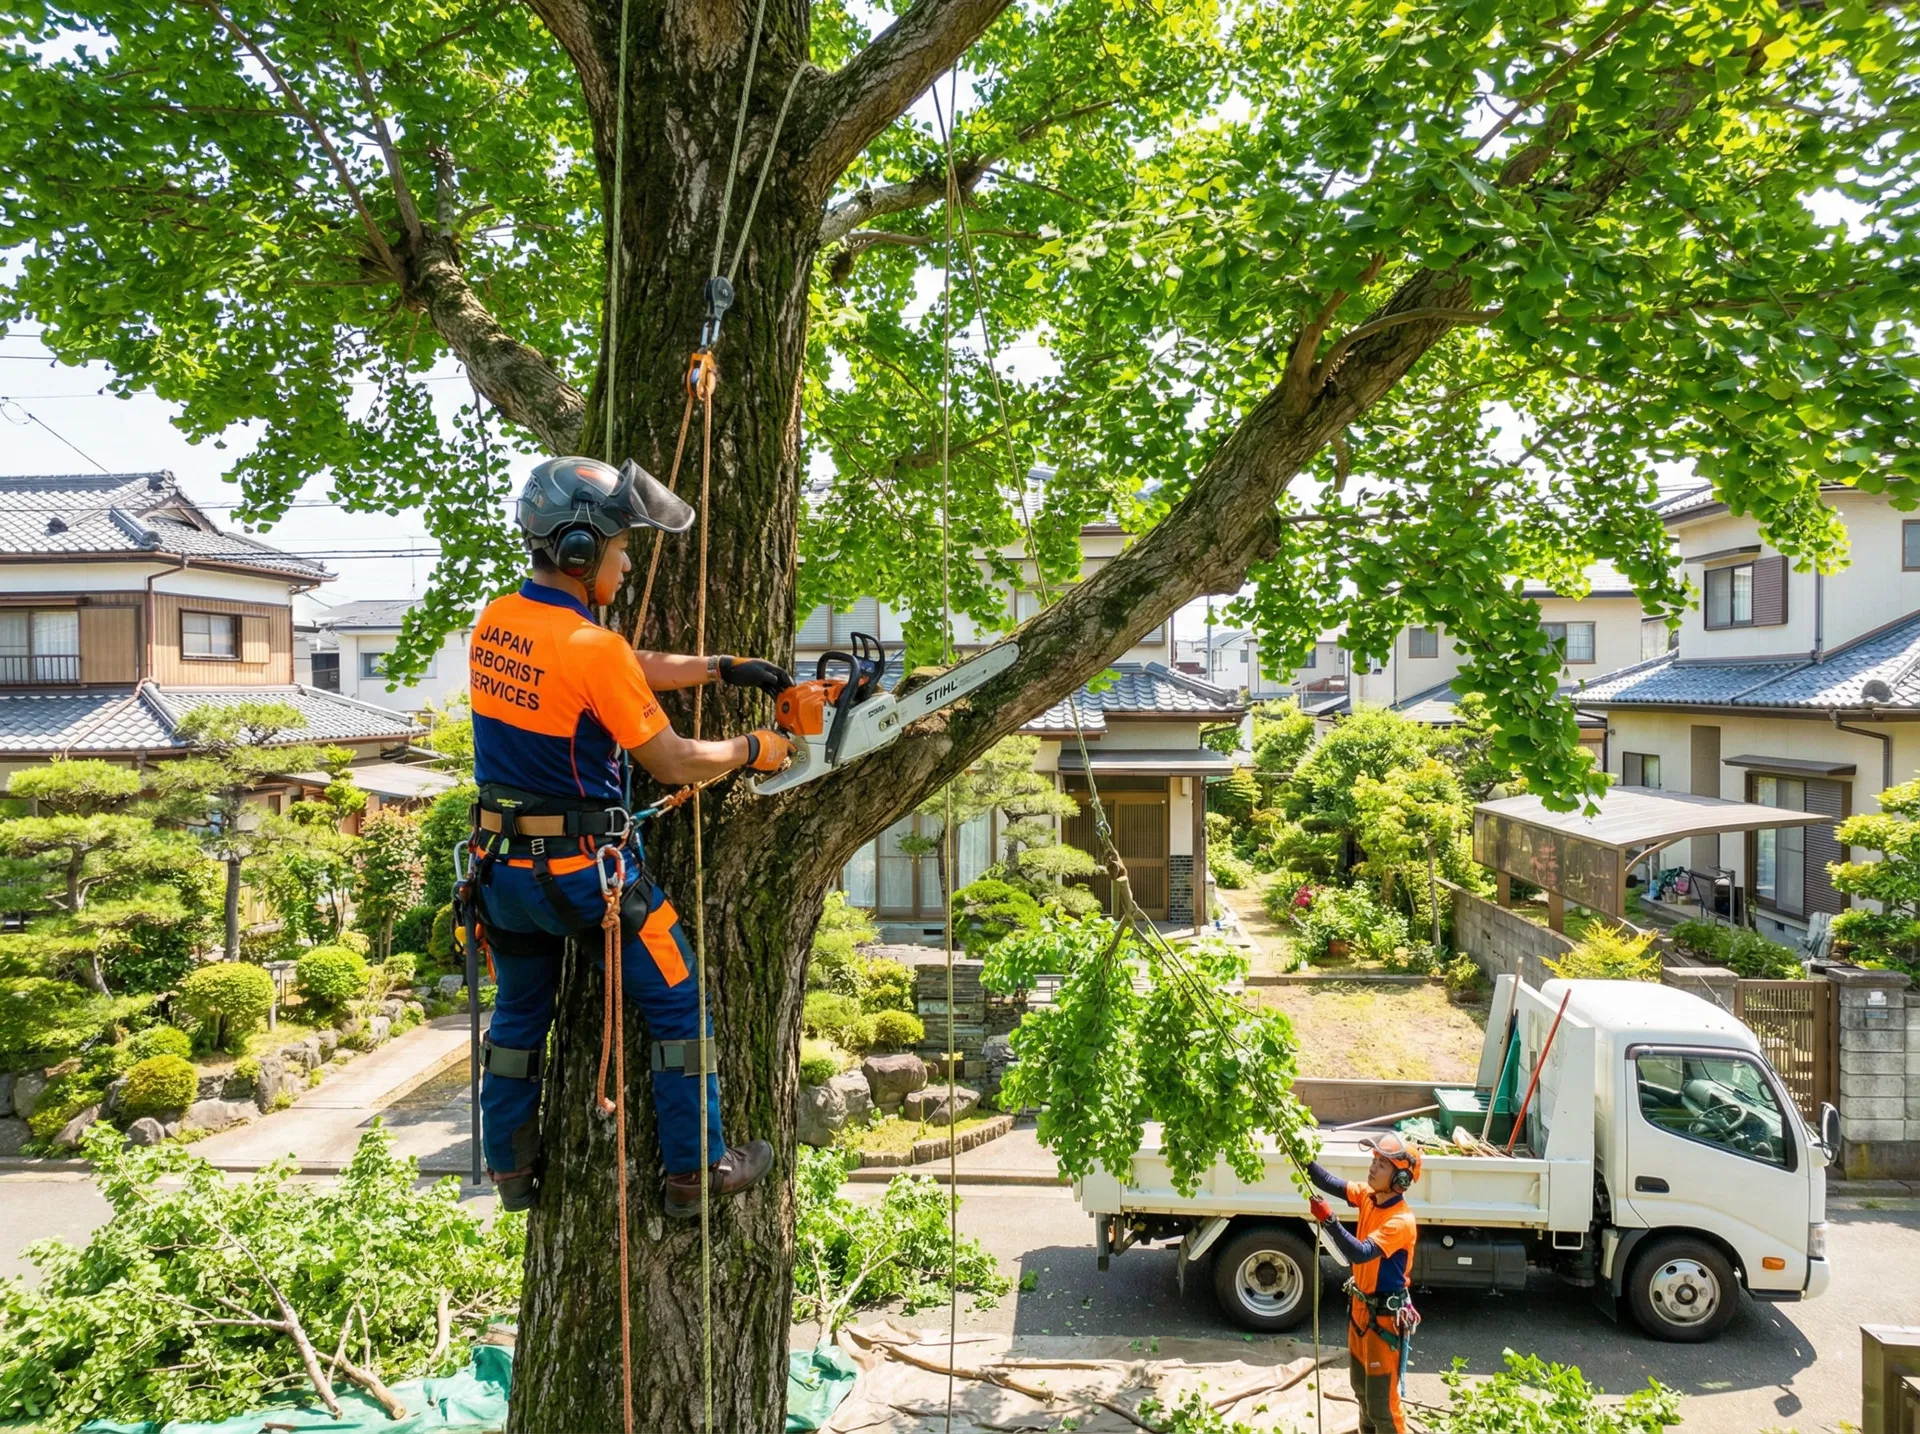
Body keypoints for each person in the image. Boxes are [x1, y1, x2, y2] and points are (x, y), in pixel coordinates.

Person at [462, 454, 794, 1217]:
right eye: (620, 546)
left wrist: (718, 667)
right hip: (586, 876)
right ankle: (697, 1171)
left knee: (519, 1020)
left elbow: (615, 668)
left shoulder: (499, 621)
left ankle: (512, 1170)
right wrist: (754, 750)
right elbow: (672, 761)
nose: (628, 559)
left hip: (503, 873)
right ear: (580, 552)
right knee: (680, 1004)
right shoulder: (592, 648)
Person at [1306, 1133, 1422, 1434]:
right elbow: (1331, 1183)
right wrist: (1303, 1156)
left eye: (1382, 1164)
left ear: (1401, 1180)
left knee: (1382, 1404)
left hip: (1383, 1321)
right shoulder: (1369, 1197)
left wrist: (1330, 1221)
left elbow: (1360, 1254)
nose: (1373, 1168)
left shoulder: (1400, 1221)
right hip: (1360, 1313)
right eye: (1374, 1161)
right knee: (1360, 1390)